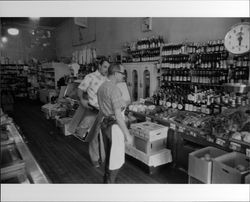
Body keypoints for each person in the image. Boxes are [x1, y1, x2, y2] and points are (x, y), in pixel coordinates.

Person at [97, 64, 133, 183]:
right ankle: (110, 186)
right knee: (116, 159)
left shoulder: (102, 87)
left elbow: (103, 108)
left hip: (104, 124)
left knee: (109, 156)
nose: (124, 76)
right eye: (123, 73)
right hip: (114, 127)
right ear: (116, 73)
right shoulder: (114, 89)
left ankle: (107, 182)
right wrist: (127, 135)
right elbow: (118, 116)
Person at [76, 59, 110, 167]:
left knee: (106, 135)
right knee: (94, 136)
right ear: (99, 66)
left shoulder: (108, 79)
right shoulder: (90, 77)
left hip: (106, 111)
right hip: (94, 110)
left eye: (108, 67)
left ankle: (106, 157)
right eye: (105, 67)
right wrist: (82, 100)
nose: (107, 69)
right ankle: (95, 159)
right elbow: (80, 89)